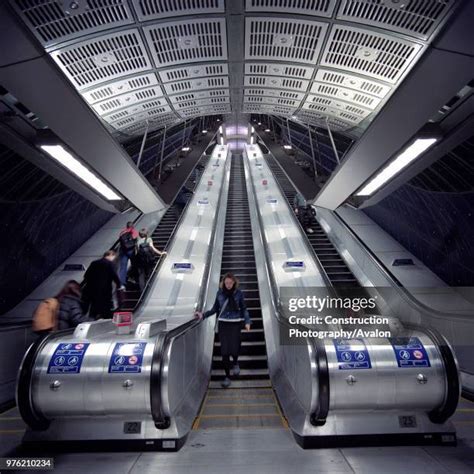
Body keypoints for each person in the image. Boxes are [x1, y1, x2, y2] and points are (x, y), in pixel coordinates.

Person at [195, 273, 251, 388]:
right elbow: (215, 308)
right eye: (226, 283)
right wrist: (203, 315)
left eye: (230, 283)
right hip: (223, 324)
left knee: (235, 349)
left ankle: (235, 362)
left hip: (236, 324)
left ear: (234, 283)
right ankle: (227, 377)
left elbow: (244, 308)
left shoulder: (239, 294)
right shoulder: (219, 293)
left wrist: (247, 322)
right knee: (225, 352)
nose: (228, 285)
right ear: (223, 283)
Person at [82, 250, 123, 319]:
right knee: (106, 309)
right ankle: (106, 323)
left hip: (92, 291)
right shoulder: (110, 264)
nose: (114, 259)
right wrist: (119, 286)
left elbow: (86, 276)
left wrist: (91, 284)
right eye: (114, 257)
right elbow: (114, 276)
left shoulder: (94, 263)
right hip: (105, 291)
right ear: (110, 255)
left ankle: (92, 321)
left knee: (94, 308)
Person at [118, 221, 139, 286]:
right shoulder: (134, 231)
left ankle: (121, 283)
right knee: (134, 265)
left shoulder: (122, 232)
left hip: (123, 251)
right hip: (131, 251)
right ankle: (135, 279)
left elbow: (120, 240)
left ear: (126, 226)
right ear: (132, 226)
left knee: (123, 267)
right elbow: (135, 240)